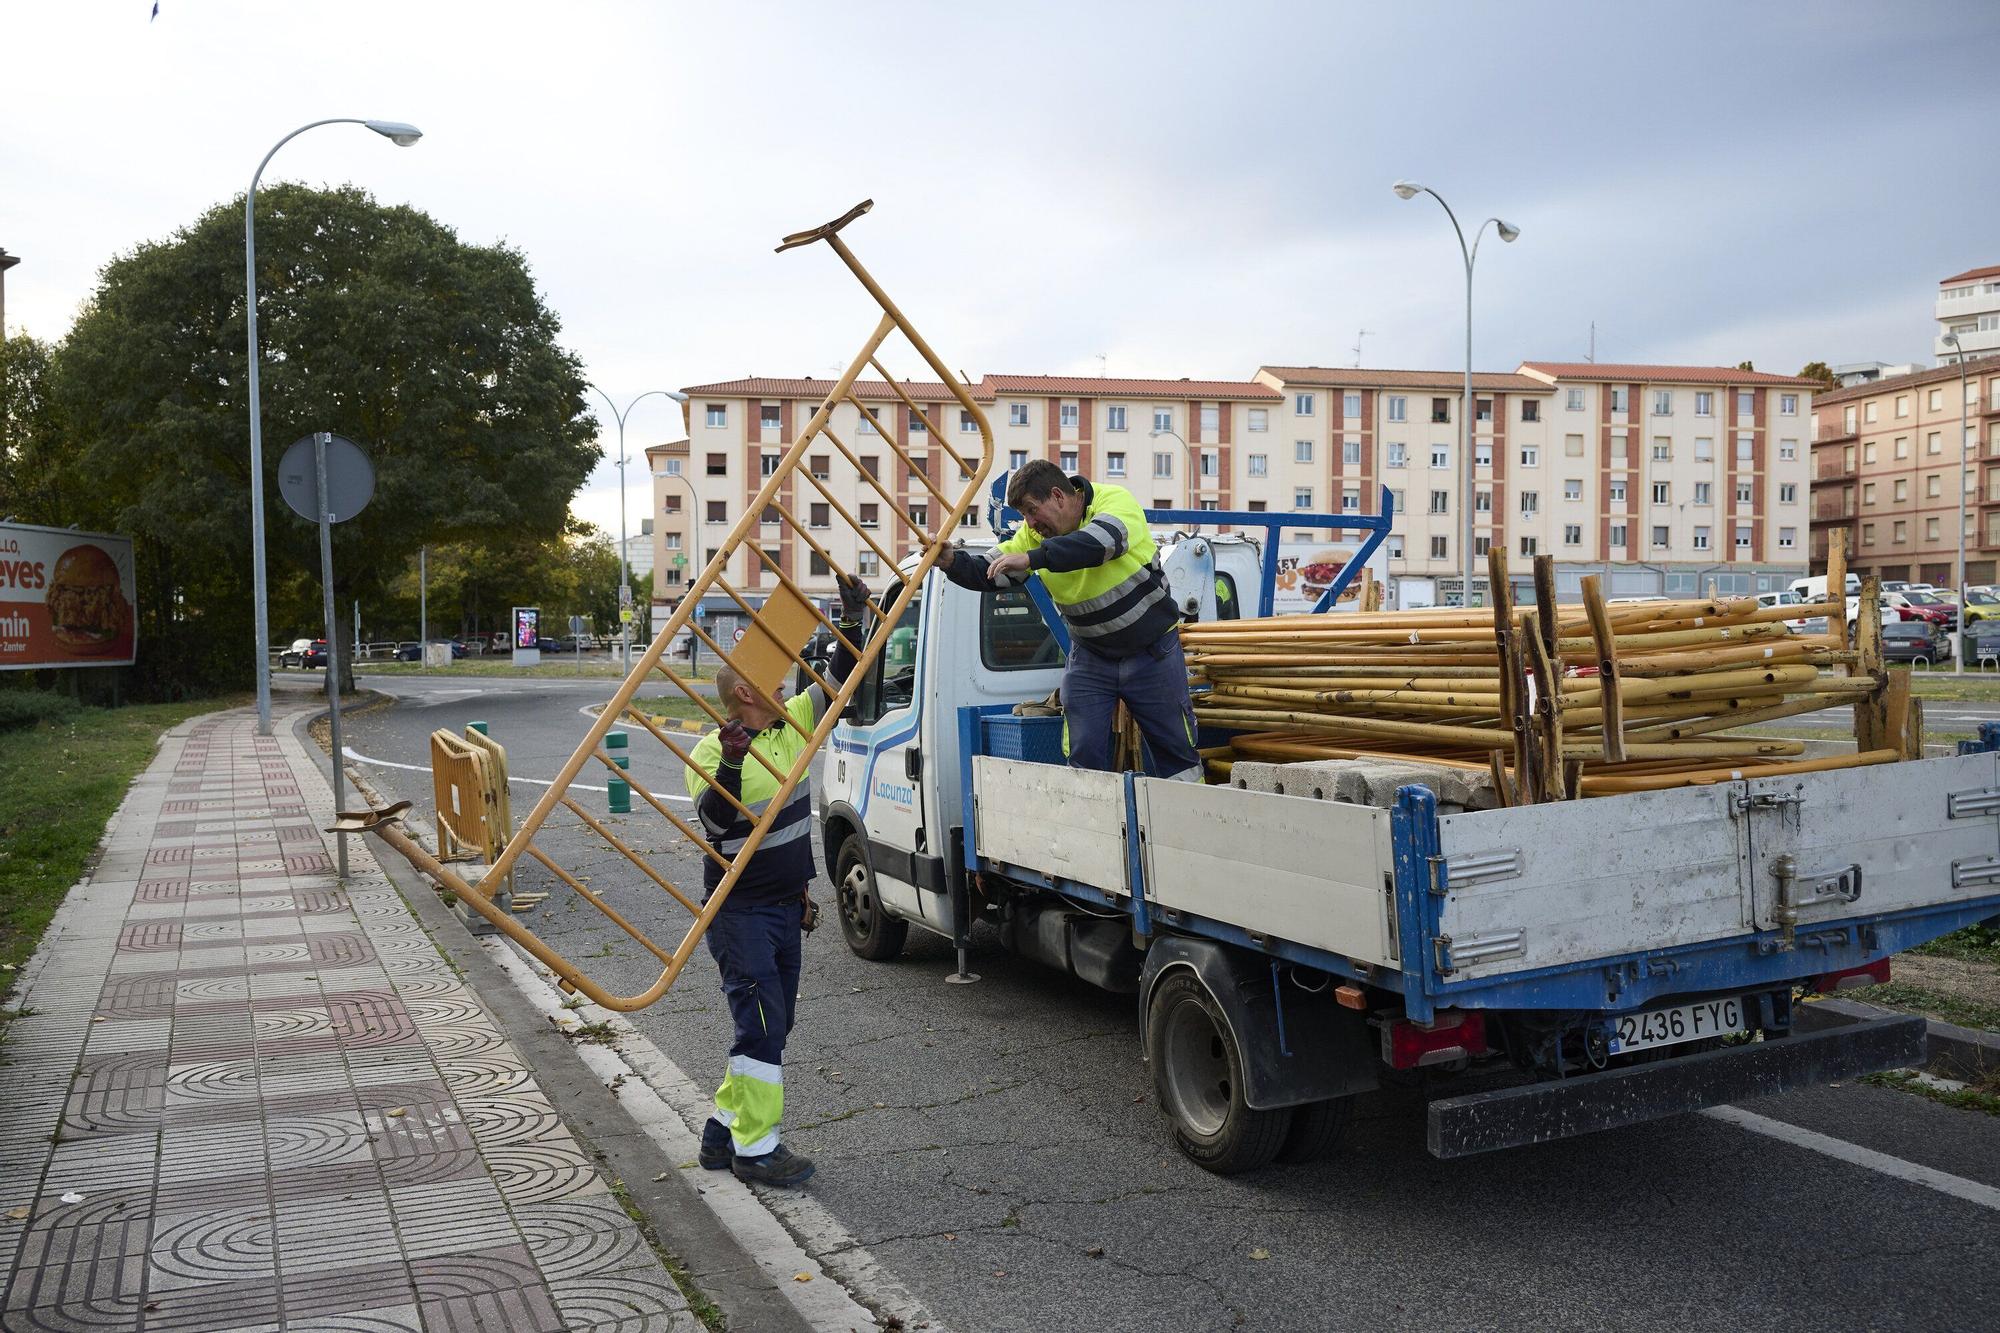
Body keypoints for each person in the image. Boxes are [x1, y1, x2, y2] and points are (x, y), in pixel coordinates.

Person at [684, 572, 867, 1187]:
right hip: (739, 913)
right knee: (761, 1026)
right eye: (774, 674)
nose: (788, 680)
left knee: (773, 1025)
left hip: (787, 907)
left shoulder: (791, 724)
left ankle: (720, 1132)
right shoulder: (708, 753)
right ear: (744, 691)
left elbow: (839, 682)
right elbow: (715, 823)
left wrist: (851, 619)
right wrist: (734, 761)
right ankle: (756, 1150)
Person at [944, 458, 1201, 780]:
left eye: (1032, 510)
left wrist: (1032, 558)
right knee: (1083, 752)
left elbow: (1097, 544)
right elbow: (992, 571)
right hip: (1092, 657)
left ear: (1058, 495)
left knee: (1175, 751)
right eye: (1024, 516)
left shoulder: (1114, 502)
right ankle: (1091, 810)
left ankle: (1188, 806)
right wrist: (951, 562)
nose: (1030, 523)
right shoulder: (1033, 537)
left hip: (1152, 652)